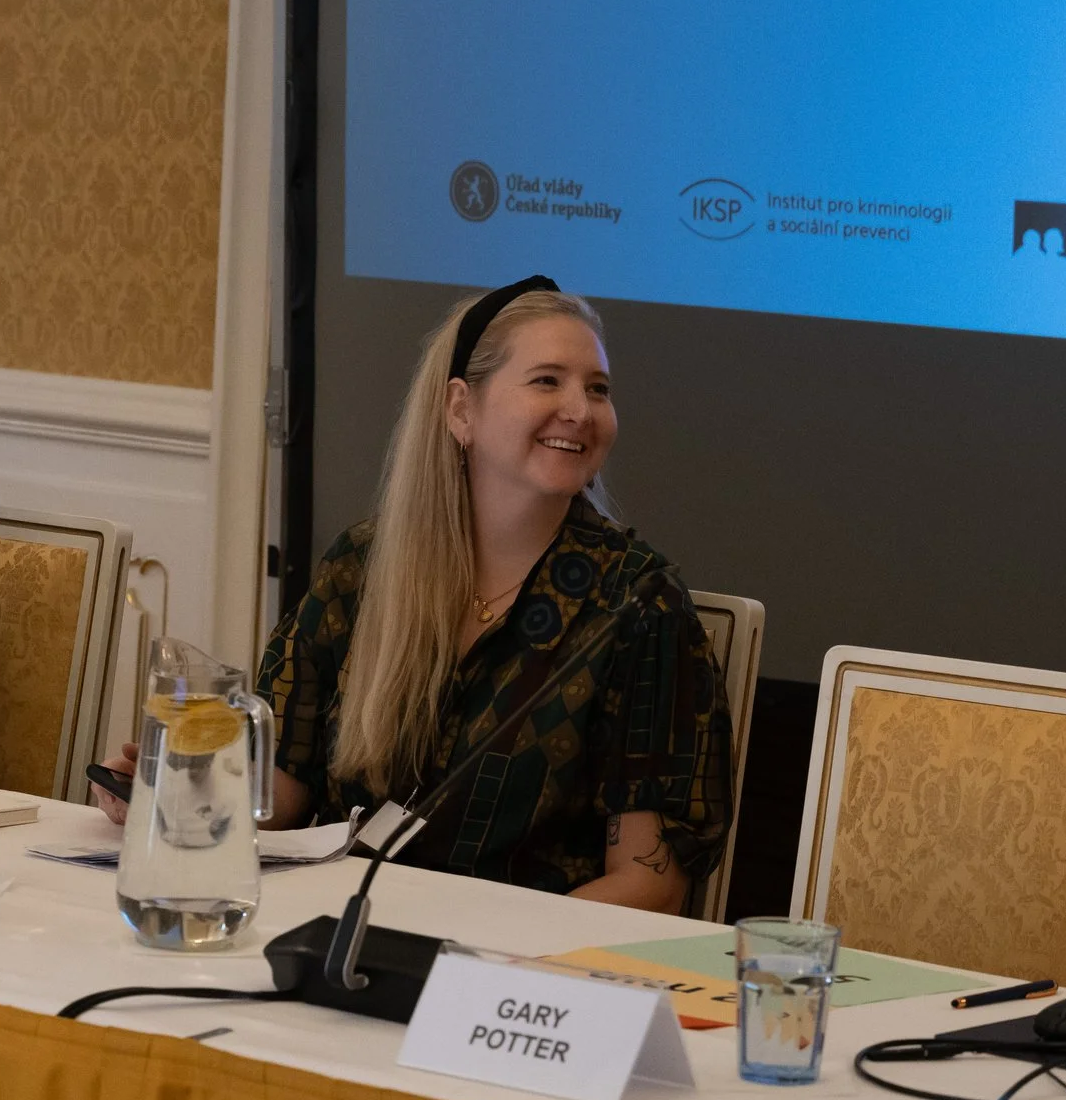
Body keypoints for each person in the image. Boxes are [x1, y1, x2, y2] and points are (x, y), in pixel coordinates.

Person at [102, 276, 733, 911]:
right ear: (462, 409)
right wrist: (173, 801)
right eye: (548, 380)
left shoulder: (639, 605)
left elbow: (651, 883)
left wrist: (486, 963)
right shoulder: (362, 568)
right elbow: (281, 796)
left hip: (512, 979)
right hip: (330, 930)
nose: (581, 409)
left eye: (597, 389)